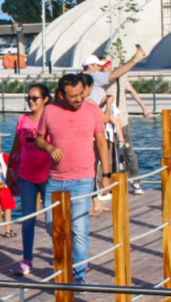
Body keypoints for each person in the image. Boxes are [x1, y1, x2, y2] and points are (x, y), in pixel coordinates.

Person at [33, 74, 111, 285]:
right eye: (73, 96)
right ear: (61, 95)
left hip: (83, 178)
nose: (78, 99)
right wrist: (49, 147)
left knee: (79, 228)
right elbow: (39, 138)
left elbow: (103, 144)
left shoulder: (92, 110)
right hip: (55, 179)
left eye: (80, 94)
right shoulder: (50, 110)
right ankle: (68, 260)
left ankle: (78, 277)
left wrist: (106, 175)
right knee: (52, 226)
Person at [9, 84, 54, 276]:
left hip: (48, 176)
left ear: (45, 99)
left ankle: (60, 252)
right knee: (28, 220)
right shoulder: (23, 120)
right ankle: (27, 259)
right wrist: (10, 173)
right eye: (28, 98)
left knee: (52, 220)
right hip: (26, 175)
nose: (31, 101)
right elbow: (16, 147)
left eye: (35, 98)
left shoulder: (51, 119)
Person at [114, 80, 153, 195]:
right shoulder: (100, 78)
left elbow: (132, 91)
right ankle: (110, 185)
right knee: (110, 155)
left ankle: (135, 182)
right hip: (107, 122)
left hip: (122, 122)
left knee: (128, 153)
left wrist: (144, 108)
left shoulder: (121, 78)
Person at [80, 46, 147, 105]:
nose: (100, 67)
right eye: (98, 65)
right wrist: (135, 60)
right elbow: (116, 74)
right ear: (90, 66)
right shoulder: (94, 76)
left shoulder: (80, 77)